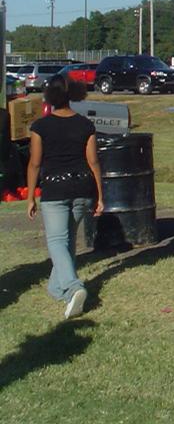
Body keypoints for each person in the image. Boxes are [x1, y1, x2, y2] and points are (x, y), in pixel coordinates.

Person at [26, 75, 104, 319]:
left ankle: (73, 288)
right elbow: (94, 162)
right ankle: (56, 288)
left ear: (49, 97)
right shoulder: (85, 125)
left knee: (57, 241)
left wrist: (30, 197)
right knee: (68, 241)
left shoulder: (40, 126)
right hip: (83, 188)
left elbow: (34, 164)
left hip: (55, 190)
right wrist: (100, 196)